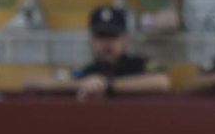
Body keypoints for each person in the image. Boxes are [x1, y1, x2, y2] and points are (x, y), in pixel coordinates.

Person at [22, 6, 171, 101]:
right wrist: (81, 84)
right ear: (92, 40)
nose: (106, 43)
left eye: (112, 36)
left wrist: (108, 85)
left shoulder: (138, 64)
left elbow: (162, 82)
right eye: (101, 36)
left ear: (125, 39)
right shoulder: (86, 70)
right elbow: (31, 82)